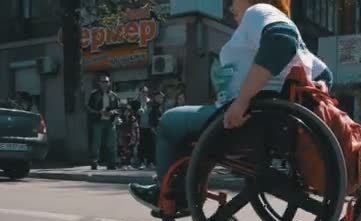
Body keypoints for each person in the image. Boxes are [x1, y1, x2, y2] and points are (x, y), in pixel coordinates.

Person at [128, 0, 333, 210]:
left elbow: (280, 40)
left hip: (246, 122)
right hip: (274, 125)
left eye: (232, 1)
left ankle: (170, 193)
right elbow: (325, 76)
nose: (230, 7)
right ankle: (185, 189)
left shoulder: (258, 12)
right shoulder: (293, 35)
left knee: (170, 121)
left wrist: (243, 100)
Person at [86, 75, 121, 170]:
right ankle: (94, 163)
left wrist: (113, 112)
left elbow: (118, 109)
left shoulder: (113, 95)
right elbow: (89, 109)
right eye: (103, 82)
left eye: (106, 82)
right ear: (99, 83)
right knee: (96, 143)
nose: (105, 84)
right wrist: (99, 112)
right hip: (98, 121)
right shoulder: (94, 95)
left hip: (110, 122)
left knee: (111, 143)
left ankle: (112, 163)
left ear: (109, 83)